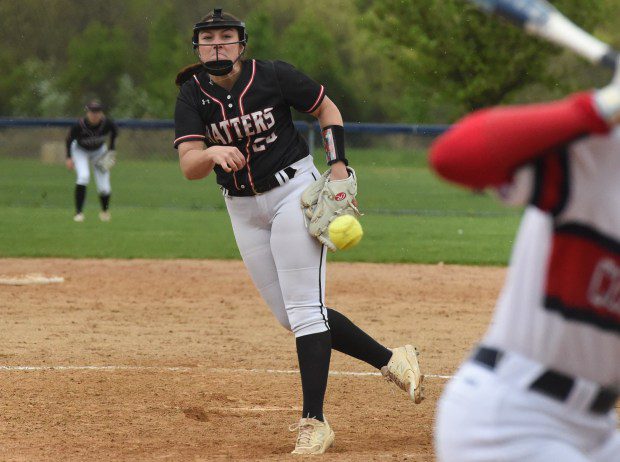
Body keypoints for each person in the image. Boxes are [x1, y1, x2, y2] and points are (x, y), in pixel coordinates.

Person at [174, 8, 424, 455]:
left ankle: (315, 421)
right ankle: (392, 361)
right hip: (243, 208)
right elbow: (190, 165)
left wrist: (338, 165)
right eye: (208, 38)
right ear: (197, 46)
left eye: (226, 37)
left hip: (294, 192)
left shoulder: (272, 76)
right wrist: (212, 151)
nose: (217, 45)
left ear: (241, 43)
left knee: (307, 311)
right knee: (293, 317)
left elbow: (326, 108)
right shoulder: (192, 94)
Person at [430, 57, 620, 461]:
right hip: (510, 422)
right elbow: (454, 156)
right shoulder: (599, 154)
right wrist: (602, 104)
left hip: (598, 430)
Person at [65, 99, 118, 222]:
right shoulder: (79, 125)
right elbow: (68, 140)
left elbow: (114, 133)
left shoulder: (107, 123)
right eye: (92, 112)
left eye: (97, 112)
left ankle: (104, 212)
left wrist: (111, 153)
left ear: (102, 113)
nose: (95, 115)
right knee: (83, 176)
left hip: (99, 151)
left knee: (104, 187)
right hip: (80, 151)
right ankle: (79, 213)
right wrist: (69, 157)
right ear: (87, 113)